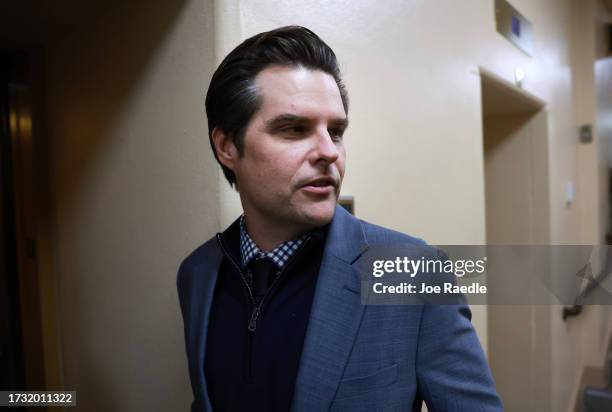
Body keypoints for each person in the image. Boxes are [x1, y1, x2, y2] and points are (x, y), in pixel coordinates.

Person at [177, 25, 503, 412]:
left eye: (335, 131)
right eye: (295, 129)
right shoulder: (197, 274)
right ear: (227, 146)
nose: (328, 151)